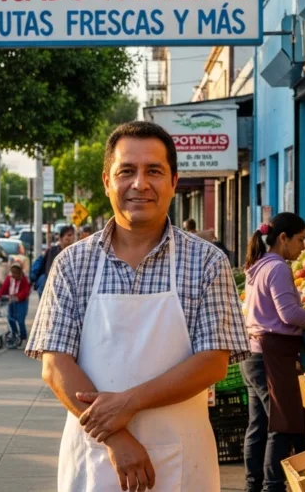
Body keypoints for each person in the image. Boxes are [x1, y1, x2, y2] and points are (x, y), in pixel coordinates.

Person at [26, 121, 249, 492]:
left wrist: (128, 403)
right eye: (126, 171)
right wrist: (117, 438)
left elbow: (213, 361)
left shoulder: (207, 262)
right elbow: (55, 366)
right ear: (107, 181)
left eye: (154, 171)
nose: (140, 184)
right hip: (94, 458)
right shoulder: (72, 264)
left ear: (174, 182)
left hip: (184, 461)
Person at [241, 213, 305, 492]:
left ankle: (253, 485)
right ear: (283, 238)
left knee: (258, 425)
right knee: (282, 425)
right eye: (300, 239)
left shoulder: (257, 265)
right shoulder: (278, 268)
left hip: (253, 354)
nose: (303, 247)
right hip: (271, 356)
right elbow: (289, 314)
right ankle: (272, 487)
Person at [35, 225, 75, 295]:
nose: (71, 238)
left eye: (72, 235)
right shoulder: (53, 251)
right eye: (68, 235)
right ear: (61, 238)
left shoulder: (74, 252)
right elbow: (49, 269)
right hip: (52, 287)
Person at [0, 263, 31, 343]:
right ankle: (15, 335)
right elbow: (4, 287)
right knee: (10, 319)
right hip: (12, 301)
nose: (14, 275)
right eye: (12, 273)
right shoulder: (9, 278)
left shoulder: (24, 279)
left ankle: (23, 336)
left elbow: (25, 291)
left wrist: (18, 296)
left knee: (20, 320)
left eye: (15, 273)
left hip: (21, 302)